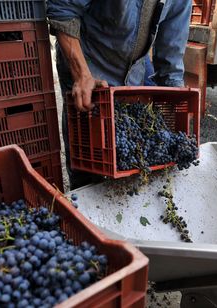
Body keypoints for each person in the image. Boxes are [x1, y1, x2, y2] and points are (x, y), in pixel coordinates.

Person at [47, 0, 191, 189]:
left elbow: (171, 52)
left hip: (131, 77)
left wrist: (177, 111)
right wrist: (81, 74)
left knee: (127, 159)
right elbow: (63, 10)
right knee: (89, 160)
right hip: (90, 69)